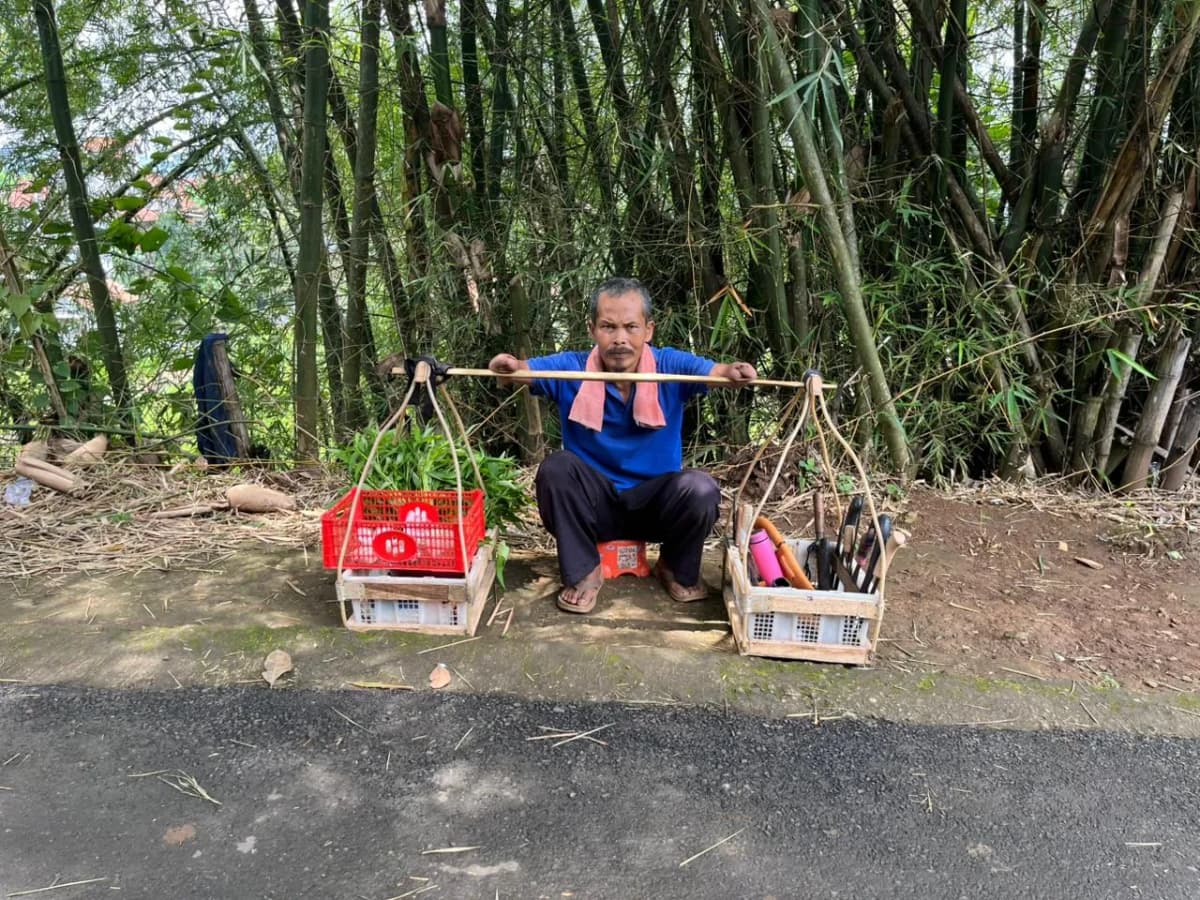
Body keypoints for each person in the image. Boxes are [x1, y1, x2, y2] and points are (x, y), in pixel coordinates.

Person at [489, 276, 756, 614]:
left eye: (631, 327)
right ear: (592, 329)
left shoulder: (669, 366)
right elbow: (519, 371)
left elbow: (717, 373)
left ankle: (676, 568)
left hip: (656, 507)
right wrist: (507, 368)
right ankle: (584, 573)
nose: (620, 339)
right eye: (608, 327)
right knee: (556, 469)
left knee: (700, 488)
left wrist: (734, 372)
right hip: (594, 508)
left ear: (649, 329)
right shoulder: (572, 368)